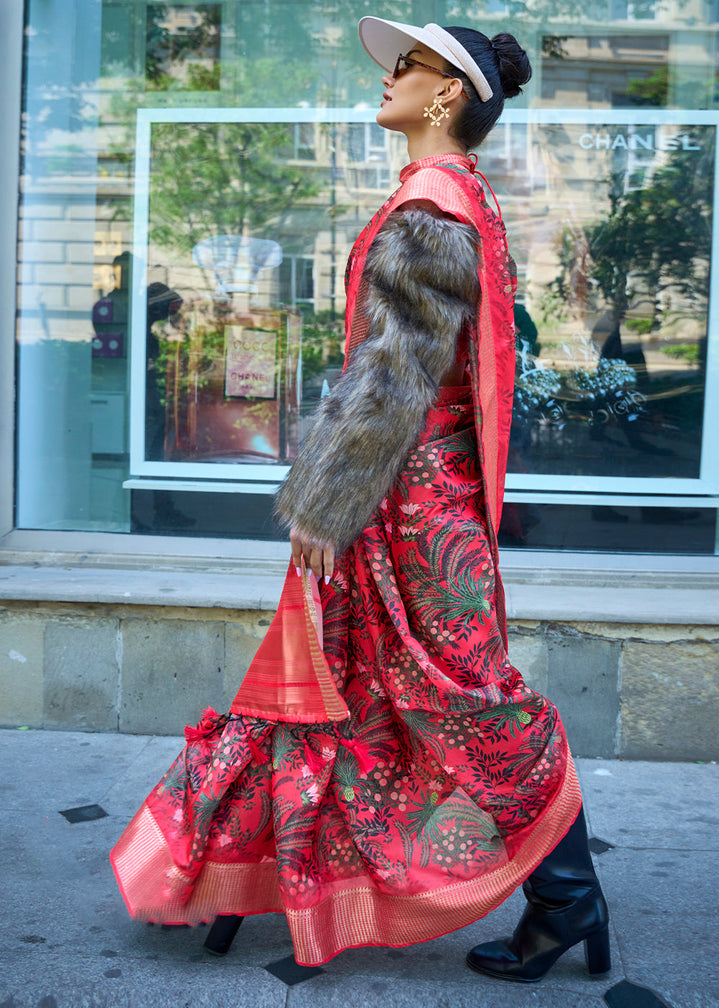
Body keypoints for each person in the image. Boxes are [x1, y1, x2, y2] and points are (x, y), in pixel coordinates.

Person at [111, 17, 609, 982]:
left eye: (407, 67)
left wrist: (326, 507)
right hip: (421, 496)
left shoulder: (430, 201)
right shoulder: (463, 196)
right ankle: (271, 874)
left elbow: (391, 376)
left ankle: (568, 895)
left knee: (469, 700)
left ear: (447, 96)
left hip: (408, 505)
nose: (386, 79)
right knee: (371, 691)